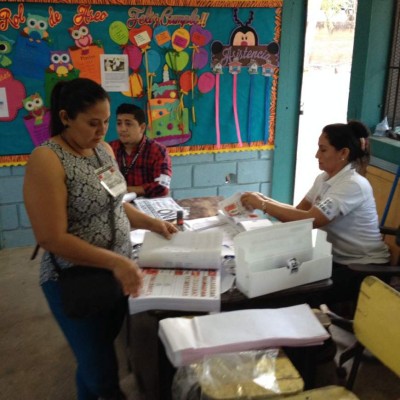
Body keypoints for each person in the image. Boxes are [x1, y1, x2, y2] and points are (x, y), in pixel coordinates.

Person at [23, 78, 177, 400]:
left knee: (96, 357)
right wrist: (116, 261)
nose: (103, 131)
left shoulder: (103, 151)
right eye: (93, 123)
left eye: (106, 122)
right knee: (104, 375)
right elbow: (50, 238)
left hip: (114, 274)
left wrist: (153, 224)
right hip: (74, 278)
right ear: (66, 117)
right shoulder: (47, 159)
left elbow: (115, 203)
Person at [241, 120, 390, 306]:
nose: (316, 155)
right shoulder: (324, 179)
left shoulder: (352, 185)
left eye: (323, 149)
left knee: (294, 292)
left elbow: (311, 220)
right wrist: (263, 199)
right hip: (338, 260)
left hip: (362, 268)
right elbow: (299, 212)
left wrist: (263, 205)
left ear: (343, 153)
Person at [109, 103, 172, 198]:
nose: (122, 129)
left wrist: (124, 190)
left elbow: (162, 187)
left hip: (149, 205)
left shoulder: (158, 151)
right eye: (119, 123)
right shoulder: (110, 149)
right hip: (119, 205)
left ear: (142, 127)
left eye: (128, 124)